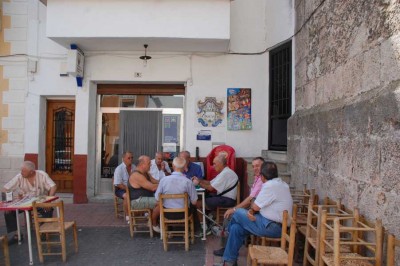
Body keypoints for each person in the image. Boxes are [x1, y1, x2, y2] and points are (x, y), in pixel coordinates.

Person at [216, 162, 293, 266]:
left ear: (262, 176)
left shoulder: (270, 186)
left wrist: (252, 209)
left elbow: (254, 206)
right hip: (270, 223)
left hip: (272, 227)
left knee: (236, 212)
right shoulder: (281, 183)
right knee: (236, 228)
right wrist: (252, 210)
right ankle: (229, 262)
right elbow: (256, 206)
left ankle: (225, 232)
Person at [2, 161, 57, 245]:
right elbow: (5, 188)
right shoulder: (20, 177)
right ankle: (18, 235)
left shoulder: (42, 175)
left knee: (48, 209)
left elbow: (53, 186)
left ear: (32, 172)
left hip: (40, 200)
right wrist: (7, 201)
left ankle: (43, 231)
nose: (21, 173)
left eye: (24, 171)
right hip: (24, 201)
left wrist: (48, 201)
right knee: (8, 212)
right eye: (21, 171)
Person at [128, 155, 160, 233]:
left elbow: (156, 182)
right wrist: (165, 185)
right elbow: (152, 187)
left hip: (145, 198)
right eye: (149, 163)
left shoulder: (145, 173)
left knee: (163, 200)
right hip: (137, 201)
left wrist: (167, 181)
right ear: (142, 164)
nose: (151, 165)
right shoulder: (136, 175)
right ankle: (154, 224)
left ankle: (156, 222)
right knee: (162, 202)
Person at [113, 151, 136, 223]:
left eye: (132, 158)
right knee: (127, 196)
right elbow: (118, 184)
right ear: (123, 159)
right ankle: (128, 216)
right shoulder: (119, 169)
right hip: (120, 189)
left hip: (132, 187)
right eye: (129, 158)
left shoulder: (134, 167)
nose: (131, 159)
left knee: (142, 192)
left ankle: (142, 212)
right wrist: (128, 189)